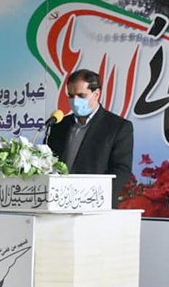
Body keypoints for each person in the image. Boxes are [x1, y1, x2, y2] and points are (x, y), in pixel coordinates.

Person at [46, 69, 133, 208]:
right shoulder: (59, 125)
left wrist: (90, 194)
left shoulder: (118, 127)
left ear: (96, 94)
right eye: (71, 96)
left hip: (96, 206)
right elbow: (48, 162)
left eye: (81, 95)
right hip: (58, 203)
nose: (75, 101)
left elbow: (122, 170)